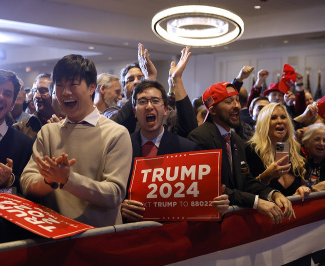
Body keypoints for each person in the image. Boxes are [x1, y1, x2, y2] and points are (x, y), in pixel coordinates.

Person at [20, 54, 132, 227]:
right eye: (59, 85)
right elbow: (27, 181)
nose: (65, 92)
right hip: (53, 236)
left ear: (91, 87)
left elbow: (114, 194)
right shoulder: (48, 132)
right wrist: (49, 181)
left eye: (73, 84)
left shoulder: (116, 133)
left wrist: (68, 180)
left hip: (98, 238)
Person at [120, 80, 229, 221]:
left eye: (155, 101)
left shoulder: (187, 149)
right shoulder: (122, 146)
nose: (149, 106)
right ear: (134, 112)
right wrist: (119, 206)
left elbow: (200, 200)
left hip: (173, 234)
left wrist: (218, 205)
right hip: (132, 233)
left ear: (165, 109)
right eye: (142, 102)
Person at [188, 82, 295, 224]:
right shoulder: (199, 138)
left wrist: (273, 194)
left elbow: (246, 181)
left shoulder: (237, 140)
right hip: (210, 225)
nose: (237, 106)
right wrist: (256, 202)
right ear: (213, 110)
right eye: (228, 101)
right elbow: (211, 188)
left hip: (234, 223)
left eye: (237, 100)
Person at [112, 44, 197, 138]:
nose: (136, 82)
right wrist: (149, 78)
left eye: (141, 78)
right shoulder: (113, 111)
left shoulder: (165, 115)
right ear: (123, 88)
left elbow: (189, 130)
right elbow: (120, 123)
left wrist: (177, 80)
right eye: (130, 79)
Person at [245, 103, 307, 197]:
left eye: (283, 117)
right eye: (273, 118)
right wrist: (265, 177)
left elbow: (305, 182)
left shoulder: (295, 149)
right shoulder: (251, 150)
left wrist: (302, 188)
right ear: (264, 123)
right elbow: (245, 188)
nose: (280, 121)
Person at [13, 73, 55, 139]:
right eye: (34, 91)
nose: (36, 96)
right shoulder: (20, 128)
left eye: (43, 91)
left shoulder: (69, 123)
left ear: (54, 92)